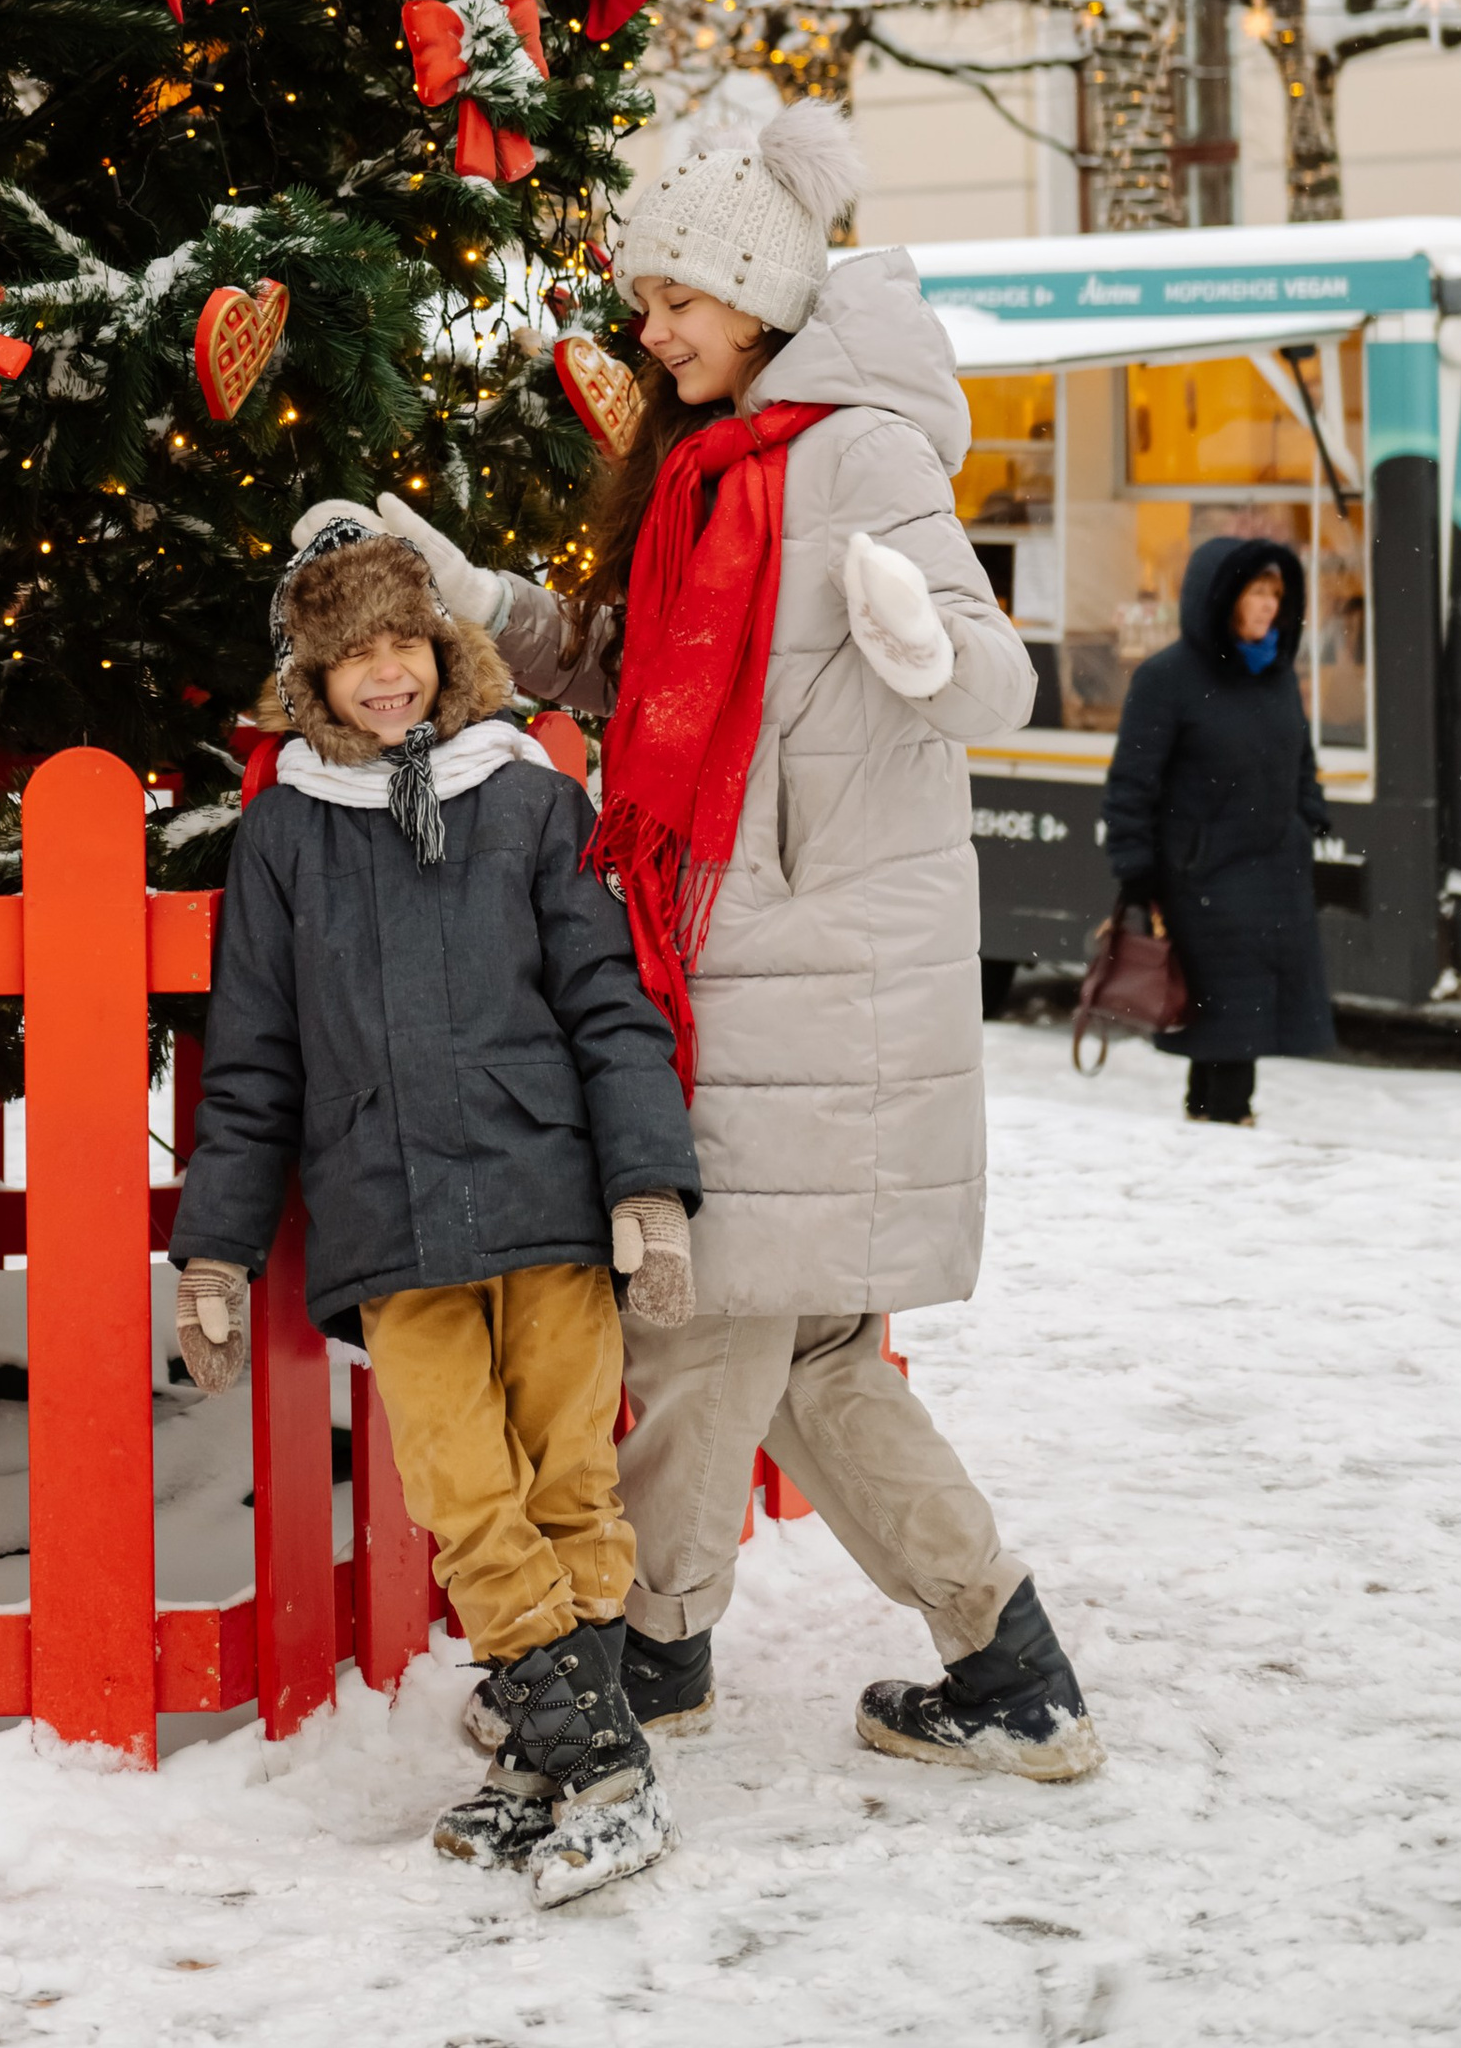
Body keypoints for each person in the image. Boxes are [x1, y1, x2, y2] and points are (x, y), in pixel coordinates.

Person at [381, 101, 1106, 1783]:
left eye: (675, 300)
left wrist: (922, 644)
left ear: (764, 295)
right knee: (820, 1357)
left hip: (816, 981)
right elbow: (633, 681)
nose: (650, 329)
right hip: (747, 969)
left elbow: (1000, 683)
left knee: (711, 1329)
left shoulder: (854, 455)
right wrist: (481, 603)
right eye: (647, 300)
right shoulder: (711, 471)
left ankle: (656, 1654)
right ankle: (1010, 1669)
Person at [169, 503, 703, 1904]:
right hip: (388, 1214)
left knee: (569, 1478)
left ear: (442, 642)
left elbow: (606, 999)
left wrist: (647, 1184)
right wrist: (214, 1253)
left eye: (405, 638)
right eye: (355, 654)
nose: (388, 671)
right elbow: (257, 1060)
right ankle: (594, 1757)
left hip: (545, 1191)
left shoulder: (530, 796)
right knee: (468, 1489)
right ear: (313, 675)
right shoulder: (284, 831)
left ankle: (558, 1762)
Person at [1101, 536, 1336, 1125]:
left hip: (1274, 872)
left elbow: (1302, 760)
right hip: (1204, 880)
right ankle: (1225, 1123)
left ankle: (1211, 1120)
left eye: (1275, 595)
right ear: (1221, 599)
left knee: (1239, 1017)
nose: (1267, 608)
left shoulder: (1277, 675)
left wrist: (1307, 818)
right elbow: (1133, 783)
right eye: (1255, 593)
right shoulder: (1167, 679)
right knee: (1225, 1013)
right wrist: (1136, 869)